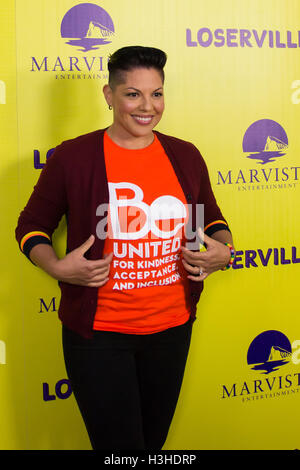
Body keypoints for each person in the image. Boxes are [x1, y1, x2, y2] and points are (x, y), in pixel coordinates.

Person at [15, 46, 234, 450]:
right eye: (133, 94)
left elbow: (212, 222)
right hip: (99, 336)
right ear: (109, 95)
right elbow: (31, 227)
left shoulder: (184, 154)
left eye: (157, 94)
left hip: (172, 330)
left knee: (152, 445)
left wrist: (224, 250)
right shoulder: (72, 157)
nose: (147, 106)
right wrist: (58, 268)